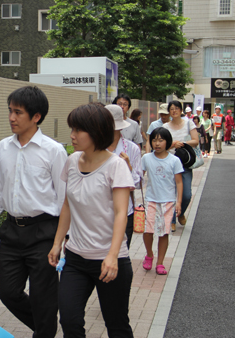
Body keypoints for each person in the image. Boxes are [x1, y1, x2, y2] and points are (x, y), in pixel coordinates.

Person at [0, 86, 67, 338]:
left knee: (43, 298)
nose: (12, 118)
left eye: (18, 112)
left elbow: (64, 199)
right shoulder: (4, 147)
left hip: (44, 232)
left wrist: (62, 240)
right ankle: (45, 327)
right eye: (10, 111)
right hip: (12, 231)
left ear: (36, 116)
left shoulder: (54, 151)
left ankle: (44, 330)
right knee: (7, 291)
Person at [48, 103, 134, 338]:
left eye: (78, 130)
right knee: (69, 320)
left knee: (116, 326)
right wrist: (57, 243)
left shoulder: (116, 166)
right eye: (72, 129)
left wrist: (113, 256)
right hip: (76, 259)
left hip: (109, 261)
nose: (72, 135)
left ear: (96, 131)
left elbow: (120, 213)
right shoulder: (72, 161)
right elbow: (67, 204)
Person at [141, 127, 183, 275]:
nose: (157, 143)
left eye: (161, 140)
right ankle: (149, 255)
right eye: (154, 140)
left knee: (163, 233)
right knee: (147, 231)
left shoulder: (174, 160)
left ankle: (160, 263)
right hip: (150, 200)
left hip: (168, 202)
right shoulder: (146, 158)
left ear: (168, 142)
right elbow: (139, 176)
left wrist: (178, 202)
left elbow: (179, 182)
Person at [107, 104, 143, 249]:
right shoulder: (95, 148)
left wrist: (128, 167)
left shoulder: (132, 149)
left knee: (121, 252)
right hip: (99, 210)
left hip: (124, 210)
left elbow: (139, 183)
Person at [163, 100, 199, 232]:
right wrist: (173, 144)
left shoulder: (189, 123)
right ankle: (172, 220)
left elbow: (195, 140)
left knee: (186, 195)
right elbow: (162, 144)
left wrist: (182, 143)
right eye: (171, 109)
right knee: (170, 194)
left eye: (177, 108)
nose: (174, 111)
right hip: (169, 162)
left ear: (181, 110)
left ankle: (181, 212)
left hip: (184, 163)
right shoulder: (166, 126)